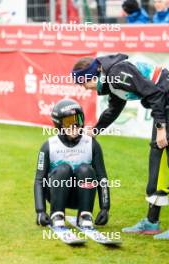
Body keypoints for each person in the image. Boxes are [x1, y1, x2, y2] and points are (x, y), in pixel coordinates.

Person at [71, 54, 169, 239]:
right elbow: (113, 110)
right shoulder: (112, 80)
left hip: (164, 105)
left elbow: (155, 93)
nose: (84, 87)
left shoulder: (117, 72)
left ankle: (152, 220)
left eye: (83, 82)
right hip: (164, 107)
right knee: (157, 167)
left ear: (93, 73)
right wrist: (95, 130)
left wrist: (161, 128)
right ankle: (151, 221)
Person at [34, 98, 110, 228]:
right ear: (59, 124)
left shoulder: (92, 144)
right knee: (63, 169)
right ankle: (57, 213)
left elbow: (102, 178)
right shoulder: (49, 146)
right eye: (69, 122)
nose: (75, 126)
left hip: (81, 196)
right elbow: (39, 180)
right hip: (56, 194)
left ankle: (85, 214)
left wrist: (105, 208)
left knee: (86, 170)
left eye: (78, 120)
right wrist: (40, 211)